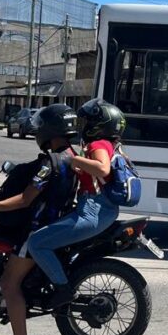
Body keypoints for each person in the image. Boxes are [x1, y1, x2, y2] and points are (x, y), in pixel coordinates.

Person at [0, 103, 80, 335]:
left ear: (50, 131)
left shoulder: (51, 163)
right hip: (53, 223)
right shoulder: (72, 155)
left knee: (9, 283)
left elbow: (26, 200)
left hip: (37, 228)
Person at [24, 98, 123, 310]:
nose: (84, 127)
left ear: (100, 125)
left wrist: (72, 160)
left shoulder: (97, 144)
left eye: (88, 123)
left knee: (36, 243)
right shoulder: (109, 144)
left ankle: (63, 289)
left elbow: (103, 169)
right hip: (100, 209)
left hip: (92, 212)